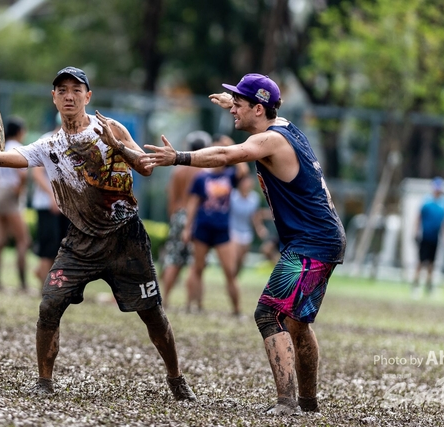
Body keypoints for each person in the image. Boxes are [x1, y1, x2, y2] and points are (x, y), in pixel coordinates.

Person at [0, 66, 195, 400]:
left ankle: (176, 380)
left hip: (126, 238)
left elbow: (146, 167)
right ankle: (44, 382)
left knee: (152, 313)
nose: (69, 96)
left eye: (76, 90)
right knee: (49, 305)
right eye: (62, 90)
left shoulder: (109, 127)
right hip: (80, 242)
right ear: (54, 98)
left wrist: (117, 145)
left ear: (88, 96)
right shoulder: (48, 145)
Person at [142, 73, 346, 415]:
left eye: (239, 103)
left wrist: (177, 157)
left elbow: (225, 155)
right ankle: (308, 405)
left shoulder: (269, 140)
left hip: (312, 242)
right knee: (297, 323)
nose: (233, 109)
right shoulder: (285, 126)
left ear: (258, 108)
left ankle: (287, 404)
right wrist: (235, 104)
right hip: (323, 238)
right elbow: (262, 114)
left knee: (268, 313)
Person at [181, 134, 248, 315]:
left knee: (230, 271)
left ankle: (236, 309)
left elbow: (244, 170)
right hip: (202, 227)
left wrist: (232, 146)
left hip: (222, 229)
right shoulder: (201, 177)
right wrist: (187, 228)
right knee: (197, 268)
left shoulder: (230, 175)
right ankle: (192, 305)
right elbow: (193, 203)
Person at [160, 130, 211, 306]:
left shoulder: (178, 171)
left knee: (173, 259)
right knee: (196, 263)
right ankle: (193, 303)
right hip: (196, 217)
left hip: (178, 215)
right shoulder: (204, 171)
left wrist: (173, 219)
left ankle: (165, 299)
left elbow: (171, 199)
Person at [0, 116, 31, 291]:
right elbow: (22, 175)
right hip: (10, 194)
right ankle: (23, 284)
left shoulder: (0, 147)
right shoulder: (17, 148)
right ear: (19, 132)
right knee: (23, 240)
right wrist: (19, 190)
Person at [31, 114, 70, 284]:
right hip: (47, 204)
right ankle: (45, 288)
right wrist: (53, 196)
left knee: (62, 248)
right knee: (48, 248)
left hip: (65, 207)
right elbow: (37, 174)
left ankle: (47, 280)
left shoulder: (71, 144)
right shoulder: (46, 141)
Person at [412, 177, 444, 296]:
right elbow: (419, 217)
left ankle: (429, 287)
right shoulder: (426, 201)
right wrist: (415, 231)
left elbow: (443, 222)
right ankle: (415, 286)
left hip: (435, 237)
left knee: (432, 264)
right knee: (421, 262)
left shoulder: (443, 203)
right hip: (425, 236)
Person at [229, 174, 270, 276]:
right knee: (234, 257)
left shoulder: (254, 198)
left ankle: (234, 279)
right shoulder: (232, 196)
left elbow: (254, 216)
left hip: (246, 232)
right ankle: (231, 279)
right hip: (233, 230)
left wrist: (259, 228)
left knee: (241, 260)